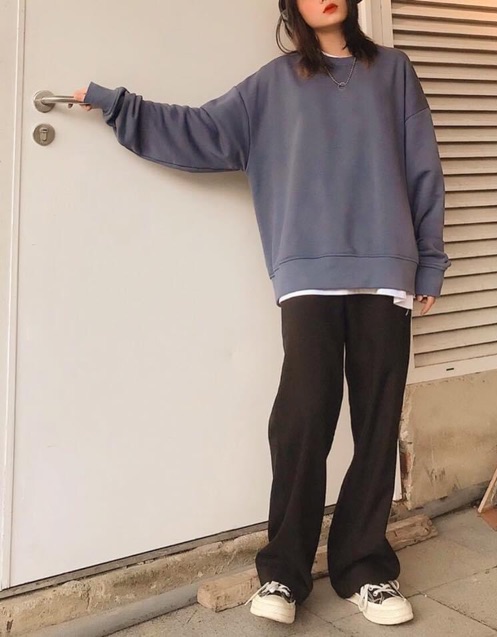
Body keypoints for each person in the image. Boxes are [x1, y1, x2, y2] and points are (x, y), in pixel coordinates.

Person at [72, 0, 450, 627]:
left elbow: (422, 166)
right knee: (302, 420)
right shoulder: (273, 86)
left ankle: (365, 569)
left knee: (377, 421)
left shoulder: (393, 70)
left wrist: (429, 261)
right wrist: (119, 105)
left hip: (387, 271)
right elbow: (200, 131)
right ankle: (283, 571)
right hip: (307, 276)